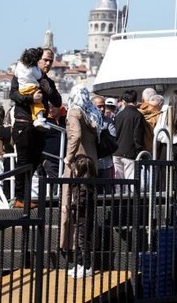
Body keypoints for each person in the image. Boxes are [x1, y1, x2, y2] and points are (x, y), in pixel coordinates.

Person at [9, 47, 61, 207]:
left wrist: (47, 88)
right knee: (23, 161)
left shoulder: (46, 80)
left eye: (50, 61)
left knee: (34, 162)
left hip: (39, 126)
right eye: (45, 60)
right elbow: (13, 94)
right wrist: (31, 98)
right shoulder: (23, 74)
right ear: (37, 60)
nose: (48, 63)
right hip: (24, 123)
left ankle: (24, 197)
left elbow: (58, 101)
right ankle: (19, 198)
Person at [59, 85, 100, 266]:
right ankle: (85, 254)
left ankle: (70, 247)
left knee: (70, 205)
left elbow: (75, 135)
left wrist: (68, 158)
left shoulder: (74, 112)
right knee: (87, 211)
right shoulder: (91, 111)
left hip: (78, 165)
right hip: (92, 165)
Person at [66, 154, 97, 279]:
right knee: (78, 241)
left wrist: (70, 207)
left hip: (84, 217)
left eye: (77, 168)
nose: (74, 171)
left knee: (83, 241)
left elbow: (81, 201)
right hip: (79, 217)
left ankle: (87, 266)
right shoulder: (80, 183)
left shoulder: (84, 186)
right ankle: (79, 264)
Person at [112, 89, 145, 181]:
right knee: (130, 181)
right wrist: (139, 151)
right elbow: (137, 136)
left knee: (118, 181)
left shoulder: (118, 116)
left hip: (116, 152)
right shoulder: (138, 115)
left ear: (124, 101)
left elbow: (115, 133)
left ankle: (118, 196)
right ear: (135, 100)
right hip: (130, 153)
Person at [14, 47, 49, 129]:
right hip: (31, 88)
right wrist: (32, 98)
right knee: (38, 103)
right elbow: (38, 75)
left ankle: (36, 119)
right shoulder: (33, 68)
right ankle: (39, 119)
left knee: (34, 105)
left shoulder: (19, 65)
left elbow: (16, 74)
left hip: (22, 89)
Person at [91, 95, 117, 183]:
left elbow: (113, 137)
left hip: (106, 163)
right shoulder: (88, 120)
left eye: (103, 106)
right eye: (99, 107)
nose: (102, 109)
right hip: (92, 162)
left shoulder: (108, 121)